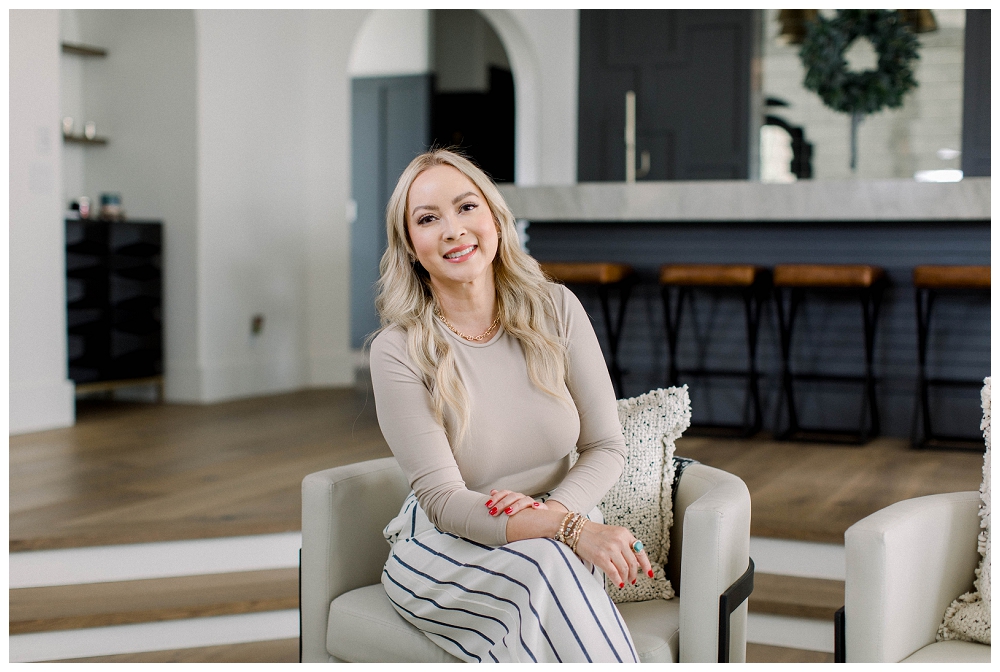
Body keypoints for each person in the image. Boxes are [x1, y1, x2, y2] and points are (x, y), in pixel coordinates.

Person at [369, 149, 652, 663]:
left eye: (466, 207)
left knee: (550, 559)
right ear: (410, 246)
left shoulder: (557, 309)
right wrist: (567, 529)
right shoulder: (398, 349)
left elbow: (606, 446)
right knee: (548, 561)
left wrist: (553, 517)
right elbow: (444, 502)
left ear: (496, 218)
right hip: (443, 547)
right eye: (428, 219)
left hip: (553, 523)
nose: (453, 230)